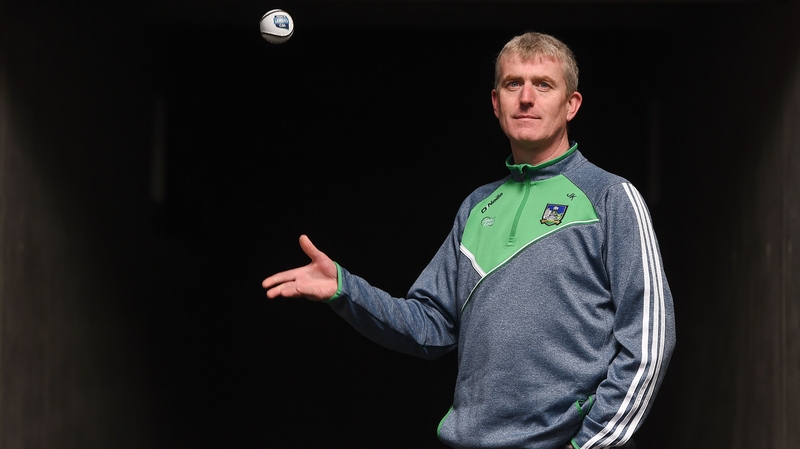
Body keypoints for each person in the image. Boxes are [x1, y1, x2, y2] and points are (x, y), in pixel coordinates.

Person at [263, 32, 676, 449]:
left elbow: (650, 342)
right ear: (496, 103)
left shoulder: (610, 197)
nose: (526, 98)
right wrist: (344, 289)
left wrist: (588, 445)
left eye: (543, 84)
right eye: (513, 84)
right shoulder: (477, 207)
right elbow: (430, 327)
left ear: (571, 105)